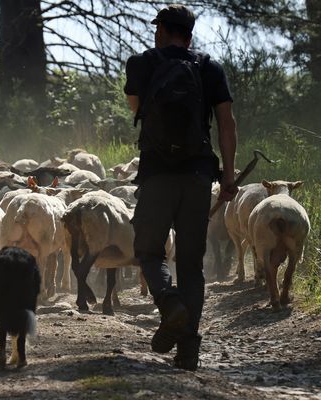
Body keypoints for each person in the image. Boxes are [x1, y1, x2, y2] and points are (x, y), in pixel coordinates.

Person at [124, 4, 237, 371]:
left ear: (161, 30)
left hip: (156, 173)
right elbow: (226, 123)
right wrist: (229, 175)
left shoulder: (141, 63)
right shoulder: (208, 68)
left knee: (149, 251)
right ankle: (188, 350)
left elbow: (135, 108)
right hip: (198, 175)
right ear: (190, 33)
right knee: (191, 264)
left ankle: (169, 303)